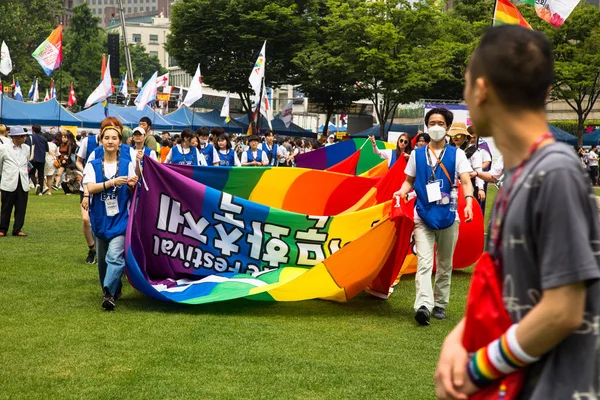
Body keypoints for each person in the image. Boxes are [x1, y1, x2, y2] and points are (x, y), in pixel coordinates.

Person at [434, 26, 600, 400]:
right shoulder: (523, 174)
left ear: (481, 89)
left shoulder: (554, 172)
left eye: (466, 83)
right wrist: (460, 339)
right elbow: (508, 287)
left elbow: (563, 310)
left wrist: (478, 367)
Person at [393, 107, 474, 326]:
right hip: (423, 214)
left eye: (440, 124)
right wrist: (402, 190)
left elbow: (466, 180)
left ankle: (440, 303)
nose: (436, 127)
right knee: (424, 263)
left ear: (447, 128)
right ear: (426, 126)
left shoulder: (456, 154)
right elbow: (409, 180)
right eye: (432, 123)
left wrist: (468, 202)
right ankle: (423, 306)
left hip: (448, 215)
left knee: (445, 264)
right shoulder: (418, 154)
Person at [82, 118, 138, 311]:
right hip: (100, 218)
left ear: (120, 142)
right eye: (107, 138)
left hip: (121, 218)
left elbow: (135, 188)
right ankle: (114, 287)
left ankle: (109, 294)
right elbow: (90, 187)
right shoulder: (93, 164)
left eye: (114, 138)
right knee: (103, 263)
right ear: (101, 140)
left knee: (115, 257)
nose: (111, 141)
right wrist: (112, 183)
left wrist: (132, 185)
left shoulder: (127, 164)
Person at [0, 126, 31, 237]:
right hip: (8, 180)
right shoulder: (3, 148)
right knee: (6, 207)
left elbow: (26, 162)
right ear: (15, 137)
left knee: (21, 207)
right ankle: (3, 229)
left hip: (22, 181)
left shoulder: (27, 148)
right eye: (22, 136)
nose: (24, 138)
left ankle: (17, 229)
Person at [76, 132, 100, 264]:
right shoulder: (87, 142)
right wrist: (86, 170)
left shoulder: (116, 147)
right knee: (86, 220)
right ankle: (92, 249)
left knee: (99, 220)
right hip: (85, 187)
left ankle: (102, 251)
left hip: (102, 188)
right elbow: (78, 161)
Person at [448, 122, 486, 202]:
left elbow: (478, 171)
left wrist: (481, 189)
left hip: (467, 186)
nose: (455, 137)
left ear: (465, 136)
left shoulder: (473, 152)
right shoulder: (448, 151)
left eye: (458, 135)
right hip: (449, 187)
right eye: (453, 135)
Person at [29, 124, 48, 195]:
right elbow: (47, 149)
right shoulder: (43, 138)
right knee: (41, 174)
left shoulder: (30, 137)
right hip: (42, 158)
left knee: (31, 172)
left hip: (33, 158)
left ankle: (36, 184)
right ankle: (41, 190)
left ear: (33, 130)